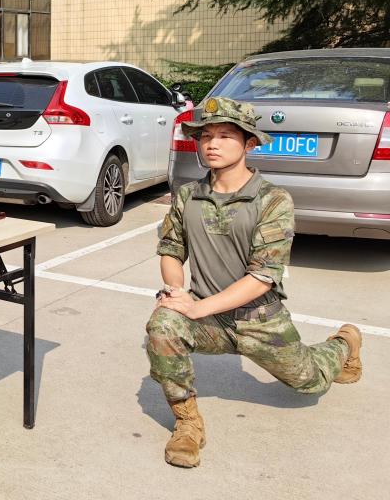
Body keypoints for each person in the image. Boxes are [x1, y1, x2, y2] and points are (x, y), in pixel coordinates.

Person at [145, 96, 363, 469]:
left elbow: (263, 276)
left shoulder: (273, 200)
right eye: (205, 136)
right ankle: (188, 424)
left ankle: (343, 344)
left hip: (261, 321)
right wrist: (177, 293)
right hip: (208, 317)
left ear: (249, 143)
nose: (211, 144)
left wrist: (197, 307)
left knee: (309, 382)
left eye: (224, 136)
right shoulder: (187, 195)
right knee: (163, 324)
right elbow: (171, 250)